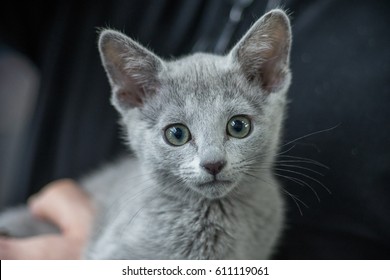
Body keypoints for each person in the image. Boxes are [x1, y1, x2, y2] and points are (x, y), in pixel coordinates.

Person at [0, 0, 389, 259]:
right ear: (133, 96)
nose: (212, 159)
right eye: (178, 134)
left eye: (237, 126)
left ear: (270, 78)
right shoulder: (150, 213)